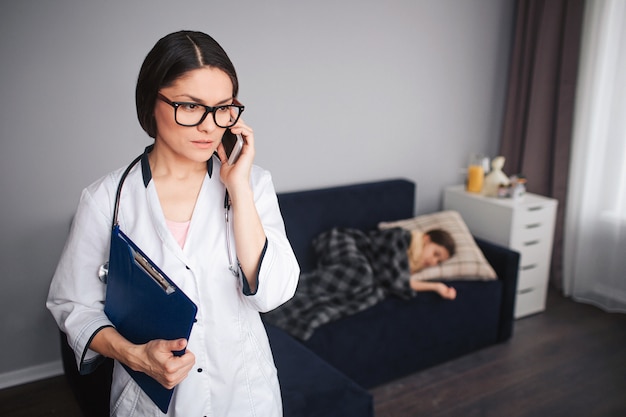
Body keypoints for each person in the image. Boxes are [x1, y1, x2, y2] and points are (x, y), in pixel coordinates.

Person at [47, 30, 300, 417]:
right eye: (190, 106)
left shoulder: (253, 183)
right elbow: (73, 305)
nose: (209, 125)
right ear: (151, 103)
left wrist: (240, 188)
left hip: (246, 397)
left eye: (223, 108)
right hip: (150, 404)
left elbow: (273, 293)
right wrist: (135, 355)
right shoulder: (106, 198)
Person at [407, 228, 457, 300]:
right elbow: (397, 281)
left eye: (438, 262)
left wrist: (437, 287)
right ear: (427, 239)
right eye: (435, 254)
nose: (433, 262)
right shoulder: (406, 239)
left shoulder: (415, 265)